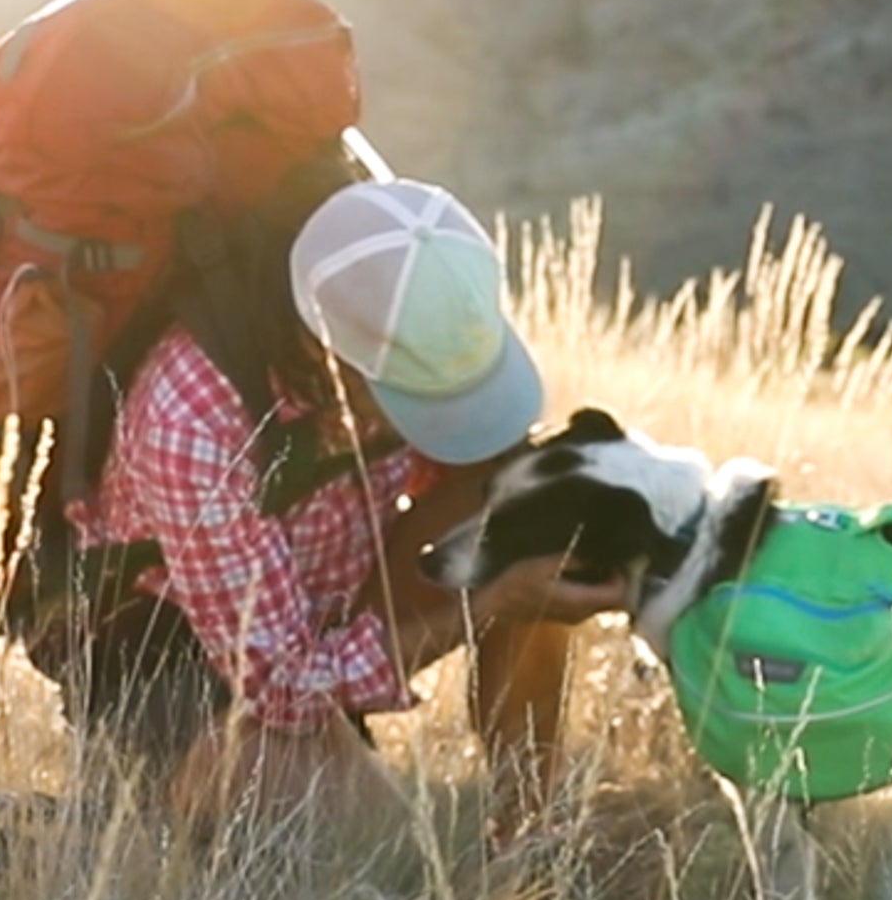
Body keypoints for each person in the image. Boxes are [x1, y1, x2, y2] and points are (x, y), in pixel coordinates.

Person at [43, 161, 626, 837]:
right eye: (417, 400)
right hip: (172, 653)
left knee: (529, 514)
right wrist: (488, 602)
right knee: (381, 847)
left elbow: (491, 479)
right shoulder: (193, 419)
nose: (428, 421)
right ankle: (73, 827)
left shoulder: (411, 308)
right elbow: (282, 688)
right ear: (330, 355)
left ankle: (524, 827)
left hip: (317, 613)